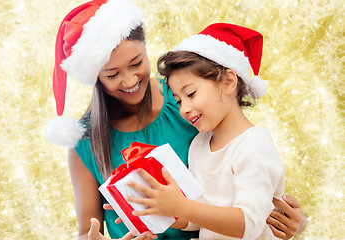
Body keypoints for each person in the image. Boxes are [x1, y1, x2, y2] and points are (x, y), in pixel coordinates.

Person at [44, 0, 306, 239]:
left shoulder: (189, 100)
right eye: (112, 74)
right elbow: (87, 231)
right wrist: (156, 208)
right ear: (95, 77)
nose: (130, 80)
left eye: (136, 63)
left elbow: (248, 180)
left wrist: (287, 219)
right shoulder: (86, 141)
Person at [125, 23, 307, 239]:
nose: (184, 109)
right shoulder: (199, 145)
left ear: (229, 82)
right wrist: (157, 206)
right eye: (178, 100)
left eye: (191, 94)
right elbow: (197, 217)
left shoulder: (254, 146)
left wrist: (181, 207)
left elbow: (249, 224)